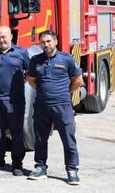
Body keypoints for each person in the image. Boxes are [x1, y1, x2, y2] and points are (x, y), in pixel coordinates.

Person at [27, 31, 83, 185]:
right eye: (43, 42)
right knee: (40, 139)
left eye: (49, 41)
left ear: (55, 42)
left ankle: (72, 170)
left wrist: (65, 92)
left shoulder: (66, 59)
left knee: (68, 139)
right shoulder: (35, 60)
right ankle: (40, 167)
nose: (46, 45)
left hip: (62, 106)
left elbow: (78, 80)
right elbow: (31, 80)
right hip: (41, 106)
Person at [0, 26, 29, 176]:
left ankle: (17, 164)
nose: (2, 40)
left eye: (4, 36)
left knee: (16, 132)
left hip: (15, 100)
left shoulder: (21, 52)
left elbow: (28, 73)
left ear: (11, 37)